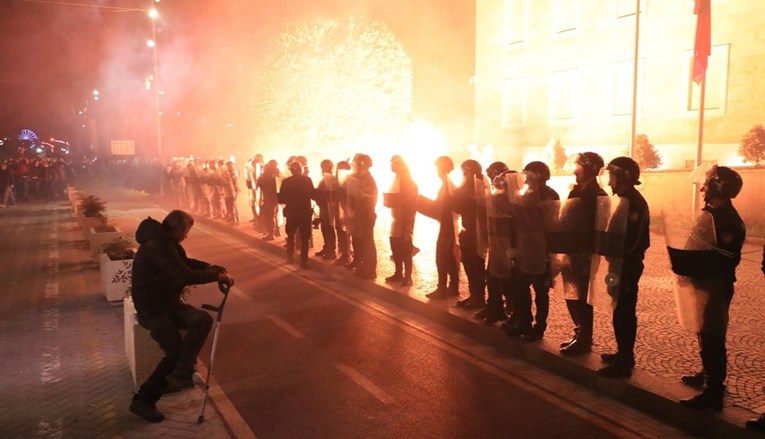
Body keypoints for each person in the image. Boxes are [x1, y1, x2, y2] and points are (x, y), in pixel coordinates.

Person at [129, 210, 234, 423]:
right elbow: (182, 274)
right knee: (175, 351)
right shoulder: (157, 245)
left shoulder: (166, 242)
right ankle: (143, 401)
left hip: (169, 304)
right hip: (153, 310)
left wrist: (209, 267)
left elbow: (183, 262)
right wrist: (215, 276)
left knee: (201, 319)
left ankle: (183, 371)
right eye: (186, 231)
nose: (186, 236)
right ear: (178, 229)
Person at [678, 165, 745, 410]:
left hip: (716, 285)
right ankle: (707, 373)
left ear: (718, 187)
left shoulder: (727, 220)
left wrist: (693, 264)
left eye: (707, 183)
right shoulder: (713, 214)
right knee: (704, 331)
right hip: (704, 282)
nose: (703, 187)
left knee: (713, 335)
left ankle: (713, 390)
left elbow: (722, 258)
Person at [596, 157, 650, 378]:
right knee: (619, 308)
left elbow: (635, 240)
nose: (609, 183)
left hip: (627, 265)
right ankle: (622, 352)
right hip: (618, 263)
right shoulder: (623, 200)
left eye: (613, 177)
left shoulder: (634, 203)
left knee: (625, 311)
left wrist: (619, 258)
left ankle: (625, 359)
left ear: (624, 177)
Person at [558, 152, 607, 355]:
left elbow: (597, 226)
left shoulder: (596, 195)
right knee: (571, 294)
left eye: (578, 167)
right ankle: (579, 331)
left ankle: (585, 337)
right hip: (571, 249)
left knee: (582, 297)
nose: (574, 171)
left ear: (589, 169)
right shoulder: (578, 191)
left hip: (584, 252)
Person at [512, 161, 559, 341]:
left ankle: (539, 327)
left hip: (542, 250)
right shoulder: (525, 194)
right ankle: (524, 321)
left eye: (529, 174)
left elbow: (552, 223)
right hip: (525, 248)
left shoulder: (548, 195)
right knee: (521, 287)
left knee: (541, 290)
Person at [451, 159, 488, 308]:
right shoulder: (467, 186)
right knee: (468, 264)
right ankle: (474, 295)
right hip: (467, 230)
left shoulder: (479, 185)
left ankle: (479, 297)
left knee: (476, 266)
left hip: (476, 232)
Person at [425, 156, 460, 299]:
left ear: (445, 167)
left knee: (442, 257)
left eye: (438, 167)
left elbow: (444, 207)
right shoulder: (447, 183)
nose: (437, 170)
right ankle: (452, 287)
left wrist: (422, 203)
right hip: (447, 225)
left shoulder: (448, 184)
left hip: (448, 226)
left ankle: (443, 288)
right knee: (448, 257)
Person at [384, 155, 418, 286]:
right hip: (396, 218)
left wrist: (408, 224)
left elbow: (411, 202)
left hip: (405, 219)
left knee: (406, 248)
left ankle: (407, 276)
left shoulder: (410, 184)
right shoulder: (396, 182)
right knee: (395, 246)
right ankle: (398, 272)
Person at [347, 153, 378, 279]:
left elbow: (368, 199)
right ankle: (364, 266)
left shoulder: (368, 180)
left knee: (367, 243)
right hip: (360, 216)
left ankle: (370, 270)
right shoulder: (360, 179)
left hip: (366, 216)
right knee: (361, 242)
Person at [279, 161, 315, 268]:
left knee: (291, 235)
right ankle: (304, 261)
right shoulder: (307, 180)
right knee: (305, 238)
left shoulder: (286, 181)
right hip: (304, 212)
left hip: (291, 212)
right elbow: (312, 194)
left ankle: (290, 257)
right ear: (300, 169)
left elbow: (281, 198)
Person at [315, 159, 338, 260]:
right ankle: (327, 247)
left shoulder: (330, 179)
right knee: (324, 228)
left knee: (328, 229)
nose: (322, 168)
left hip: (327, 207)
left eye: (324, 166)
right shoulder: (325, 178)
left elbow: (329, 193)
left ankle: (331, 250)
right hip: (323, 207)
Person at [257, 160, 281, 241]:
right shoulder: (278, 173)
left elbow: (260, 183)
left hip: (269, 198)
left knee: (269, 216)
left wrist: (260, 178)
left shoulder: (267, 174)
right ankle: (277, 231)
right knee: (275, 215)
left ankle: (271, 234)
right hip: (277, 198)